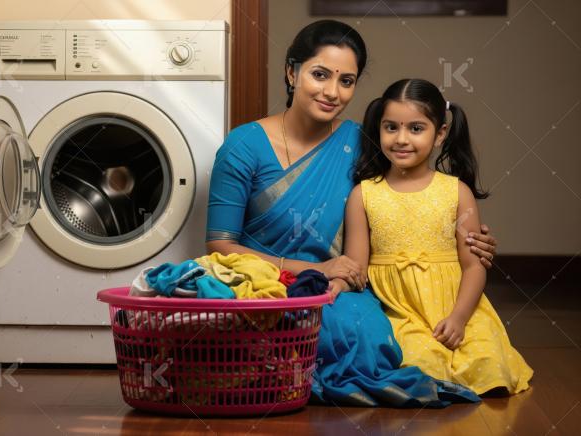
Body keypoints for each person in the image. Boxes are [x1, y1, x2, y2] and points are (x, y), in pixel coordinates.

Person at [205, 20, 497, 406]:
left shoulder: (362, 142)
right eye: (320, 75)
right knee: (241, 333)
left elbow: (411, 195)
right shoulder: (243, 145)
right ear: (292, 72)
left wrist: (466, 234)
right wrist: (310, 269)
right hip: (259, 281)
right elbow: (219, 246)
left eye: (347, 80)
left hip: (339, 287)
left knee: (367, 335)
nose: (332, 92)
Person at [344, 78, 532, 395]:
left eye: (416, 129)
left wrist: (458, 318)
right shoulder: (364, 195)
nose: (401, 139)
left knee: (487, 357)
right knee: (421, 360)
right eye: (391, 127)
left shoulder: (456, 192)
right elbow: (356, 267)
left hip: (458, 306)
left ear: (440, 134)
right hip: (401, 312)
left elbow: (474, 266)